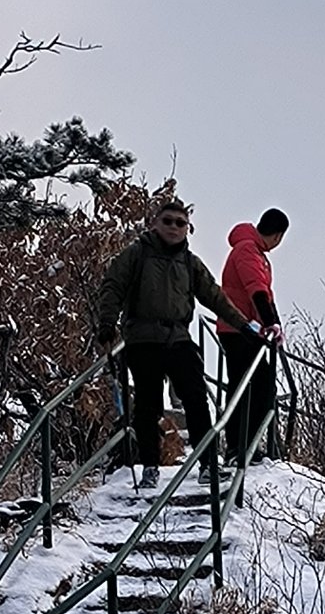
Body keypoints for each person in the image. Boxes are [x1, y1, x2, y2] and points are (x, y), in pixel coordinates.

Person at [94, 195, 252, 484]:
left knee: (195, 398)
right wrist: (107, 323)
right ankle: (150, 467)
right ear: (155, 223)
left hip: (178, 336)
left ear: (187, 228)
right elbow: (113, 286)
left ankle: (207, 464)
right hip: (143, 338)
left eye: (181, 223)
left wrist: (243, 326)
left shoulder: (190, 263)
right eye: (167, 221)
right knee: (147, 404)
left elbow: (215, 297)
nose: (174, 227)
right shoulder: (136, 254)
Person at [219, 207, 287, 462]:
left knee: (256, 384)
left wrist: (273, 323)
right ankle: (238, 447)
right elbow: (256, 289)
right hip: (240, 329)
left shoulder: (252, 251)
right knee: (250, 386)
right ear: (277, 235)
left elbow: (263, 293)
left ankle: (244, 445)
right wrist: (271, 323)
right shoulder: (248, 250)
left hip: (246, 329)